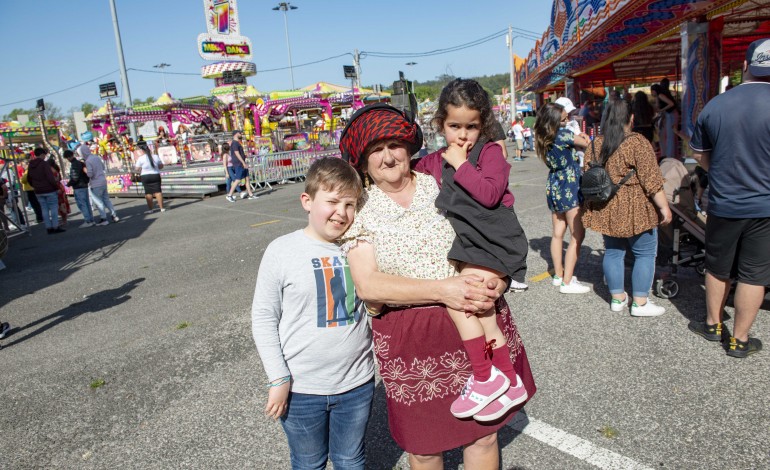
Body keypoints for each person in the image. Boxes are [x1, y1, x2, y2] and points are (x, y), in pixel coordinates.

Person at [339, 104, 536, 468]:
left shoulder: (439, 179)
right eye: (375, 150)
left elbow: (492, 230)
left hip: (476, 316)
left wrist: (500, 277)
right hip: (411, 339)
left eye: (394, 144)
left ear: (409, 146)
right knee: (424, 447)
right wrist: (443, 289)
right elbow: (368, 285)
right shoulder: (359, 208)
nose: (387, 156)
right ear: (362, 162)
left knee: (484, 434)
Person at [410, 79, 529, 420]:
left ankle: (484, 377)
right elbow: (413, 176)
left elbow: (491, 194)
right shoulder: (434, 161)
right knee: (483, 314)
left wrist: (462, 164)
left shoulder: (489, 152)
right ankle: (509, 379)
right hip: (472, 246)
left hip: (496, 241)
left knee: (462, 300)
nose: (462, 135)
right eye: (454, 126)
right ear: (440, 125)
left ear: (483, 124)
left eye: (471, 127)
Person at [252, 157, 374, 469]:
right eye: (332, 201)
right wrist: (278, 377)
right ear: (307, 201)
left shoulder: (359, 247)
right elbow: (264, 316)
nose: (342, 213)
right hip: (301, 389)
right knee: (308, 462)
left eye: (350, 204)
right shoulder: (282, 251)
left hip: (356, 384)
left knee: (350, 459)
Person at [688, 38, 770, 358]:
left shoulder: (717, 104)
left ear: (746, 66)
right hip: (765, 206)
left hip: (724, 201)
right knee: (754, 274)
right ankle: (739, 339)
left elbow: (698, 153)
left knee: (717, 267)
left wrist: (719, 169)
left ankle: (712, 324)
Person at [582, 99, 672, 316]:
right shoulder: (637, 142)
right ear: (631, 118)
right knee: (645, 253)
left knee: (613, 252)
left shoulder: (595, 144)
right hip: (636, 207)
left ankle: (617, 298)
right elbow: (652, 181)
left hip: (607, 207)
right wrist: (664, 208)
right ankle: (640, 302)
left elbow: (588, 175)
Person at [534, 102, 591, 293]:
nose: (567, 121)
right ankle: (568, 282)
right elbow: (588, 143)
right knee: (577, 234)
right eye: (564, 118)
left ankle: (558, 275)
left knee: (558, 233)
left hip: (554, 183)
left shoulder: (543, 137)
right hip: (570, 183)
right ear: (555, 120)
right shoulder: (564, 134)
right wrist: (582, 135)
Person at [25, 148, 65, 234]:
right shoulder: (44, 164)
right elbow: (50, 177)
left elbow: (29, 178)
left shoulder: (31, 165)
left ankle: (48, 227)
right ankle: (55, 226)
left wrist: (35, 186)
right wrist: (56, 187)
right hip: (49, 189)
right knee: (53, 208)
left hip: (38, 191)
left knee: (44, 209)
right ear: (43, 154)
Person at [80, 144, 119, 225]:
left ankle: (104, 218)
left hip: (95, 183)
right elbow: (103, 167)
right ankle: (114, 215)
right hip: (103, 181)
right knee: (106, 200)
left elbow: (90, 174)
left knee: (99, 202)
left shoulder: (88, 161)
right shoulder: (96, 157)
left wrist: (85, 170)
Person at [63, 150, 94, 228]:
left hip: (78, 186)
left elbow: (74, 177)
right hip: (84, 185)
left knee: (82, 204)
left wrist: (68, 184)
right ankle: (91, 219)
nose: (68, 159)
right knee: (87, 203)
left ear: (69, 157)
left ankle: (88, 220)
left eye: (67, 158)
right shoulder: (80, 163)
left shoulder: (74, 164)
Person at [225, 130, 257, 202]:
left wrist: (245, 156)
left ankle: (250, 194)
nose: (241, 134)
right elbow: (236, 153)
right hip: (239, 164)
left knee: (247, 178)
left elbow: (239, 153)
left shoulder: (237, 143)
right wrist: (243, 162)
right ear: (236, 134)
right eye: (240, 133)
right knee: (238, 179)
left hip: (242, 163)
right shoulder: (235, 143)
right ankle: (229, 195)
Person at [651, 80, 679, 158]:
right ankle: (669, 154)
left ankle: (670, 155)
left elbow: (671, 104)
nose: (651, 93)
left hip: (671, 114)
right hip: (669, 115)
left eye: (652, 91)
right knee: (668, 135)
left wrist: (661, 110)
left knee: (670, 135)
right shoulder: (659, 96)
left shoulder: (660, 95)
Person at [134, 144, 165, 214]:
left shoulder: (141, 158)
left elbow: (137, 169)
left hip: (145, 176)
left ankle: (151, 209)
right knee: (158, 191)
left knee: (148, 193)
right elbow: (161, 166)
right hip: (155, 175)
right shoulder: (156, 157)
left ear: (142, 151)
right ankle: (162, 208)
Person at [45, 156, 71, 228]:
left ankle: (63, 221)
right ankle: (64, 220)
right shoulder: (55, 169)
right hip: (60, 187)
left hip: (56, 188)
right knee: (62, 204)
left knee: (59, 204)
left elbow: (52, 181)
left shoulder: (51, 171)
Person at [19, 160, 43, 224]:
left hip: (30, 189)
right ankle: (40, 217)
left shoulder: (27, 171)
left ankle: (39, 218)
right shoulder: (32, 170)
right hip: (32, 188)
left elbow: (23, 180)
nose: (23, 166)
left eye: (24, 165)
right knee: (36, 204)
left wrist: (21, 179)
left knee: (35, 204)